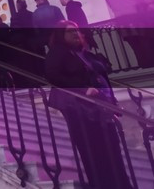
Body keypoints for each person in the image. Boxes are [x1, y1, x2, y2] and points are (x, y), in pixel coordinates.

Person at [45, 21, 132, 188]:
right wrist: (82, 89)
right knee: (94, 149)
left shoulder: (84, 54)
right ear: (61, 35)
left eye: (76, 31)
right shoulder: (58, 52)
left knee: (112, 147)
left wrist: (112, 101)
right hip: (81, 108)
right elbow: (52, 75)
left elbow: (100, 77)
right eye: (70, 31)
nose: (75, 34)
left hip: (101, 106)